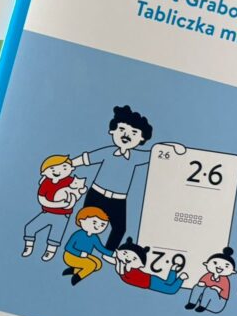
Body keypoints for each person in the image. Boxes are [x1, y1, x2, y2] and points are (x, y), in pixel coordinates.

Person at [71, 105, 185, 252]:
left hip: (118, 200)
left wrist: (174, 146)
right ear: (112, 131)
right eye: (122, 129)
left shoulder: (137, 156)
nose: (126, 135)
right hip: (96, 194)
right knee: (87, 224)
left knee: (119, 228)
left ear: (142, 138)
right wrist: (68, 164)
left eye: (134, 132)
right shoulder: (108, 152)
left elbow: (157, 152)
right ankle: (79, 250)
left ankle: (108, 252)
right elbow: (86, 159)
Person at [22, 155, 81, 262]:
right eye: (52, 169)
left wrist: (76, 195)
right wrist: (58, 204)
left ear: (71, 169)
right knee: (30, 228)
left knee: (56, 235)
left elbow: (78, 191)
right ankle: (28, 246)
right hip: (47, 212)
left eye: (64, 167)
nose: (58, 171)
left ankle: (50, 251)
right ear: (45, 172)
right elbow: (42, 199)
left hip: (63, 215)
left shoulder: (71, 181)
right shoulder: (46, 182)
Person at [112, 237, 187, 294]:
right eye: (125, 253)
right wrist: (118, 260)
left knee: (170, 290)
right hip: (149, 280)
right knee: (168, 283)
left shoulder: (126, 268)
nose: (128, 258)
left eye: (134, 258)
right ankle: (173, 270)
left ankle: (181, 278)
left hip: (149, 282)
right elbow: (120, 269)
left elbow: (121, 270)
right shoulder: (124, 268)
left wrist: (119, 261)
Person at [60, 206, 113, 286]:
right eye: (94, 222)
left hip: (85, 256)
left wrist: (113, 254)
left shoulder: (94, 237)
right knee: (91, 265)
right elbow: (68, 247)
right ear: (81, 220)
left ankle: (74, 270)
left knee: (98, 264)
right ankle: (77, 277)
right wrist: (80, 253)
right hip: (70, 255)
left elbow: (101, 248)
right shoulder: (78, 234)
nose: (98, 226)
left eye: (102, 224)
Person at [186, 247, 236, 313]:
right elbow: (201, 284)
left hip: (217, 304)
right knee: (197, 287)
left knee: (210, 290)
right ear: (207, 264)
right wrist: (201, 284)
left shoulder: (225, 280)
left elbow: (224, 294)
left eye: (226, 266)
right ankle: (192, 303)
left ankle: (202, 307)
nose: (220, 267)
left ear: (232, 271)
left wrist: (217, 289)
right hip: (203, 299)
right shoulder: (208, 275)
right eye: (215, 263)